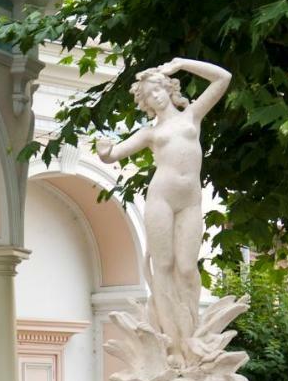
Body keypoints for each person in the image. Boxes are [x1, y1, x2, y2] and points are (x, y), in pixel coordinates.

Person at [96, 57, 231, 360]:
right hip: (161, 198)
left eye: (157, 90)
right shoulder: (150, 133)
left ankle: (192, 330)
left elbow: (223, 78)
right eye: (148, 95)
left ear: (169, 89)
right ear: (145, 102)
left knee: (186, 267)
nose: (154, 97)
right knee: (164, 266)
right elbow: (115, 153)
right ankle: (172, 339)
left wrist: (181, 63)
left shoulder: (192, 116)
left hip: (190, 201)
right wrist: (104, 151)